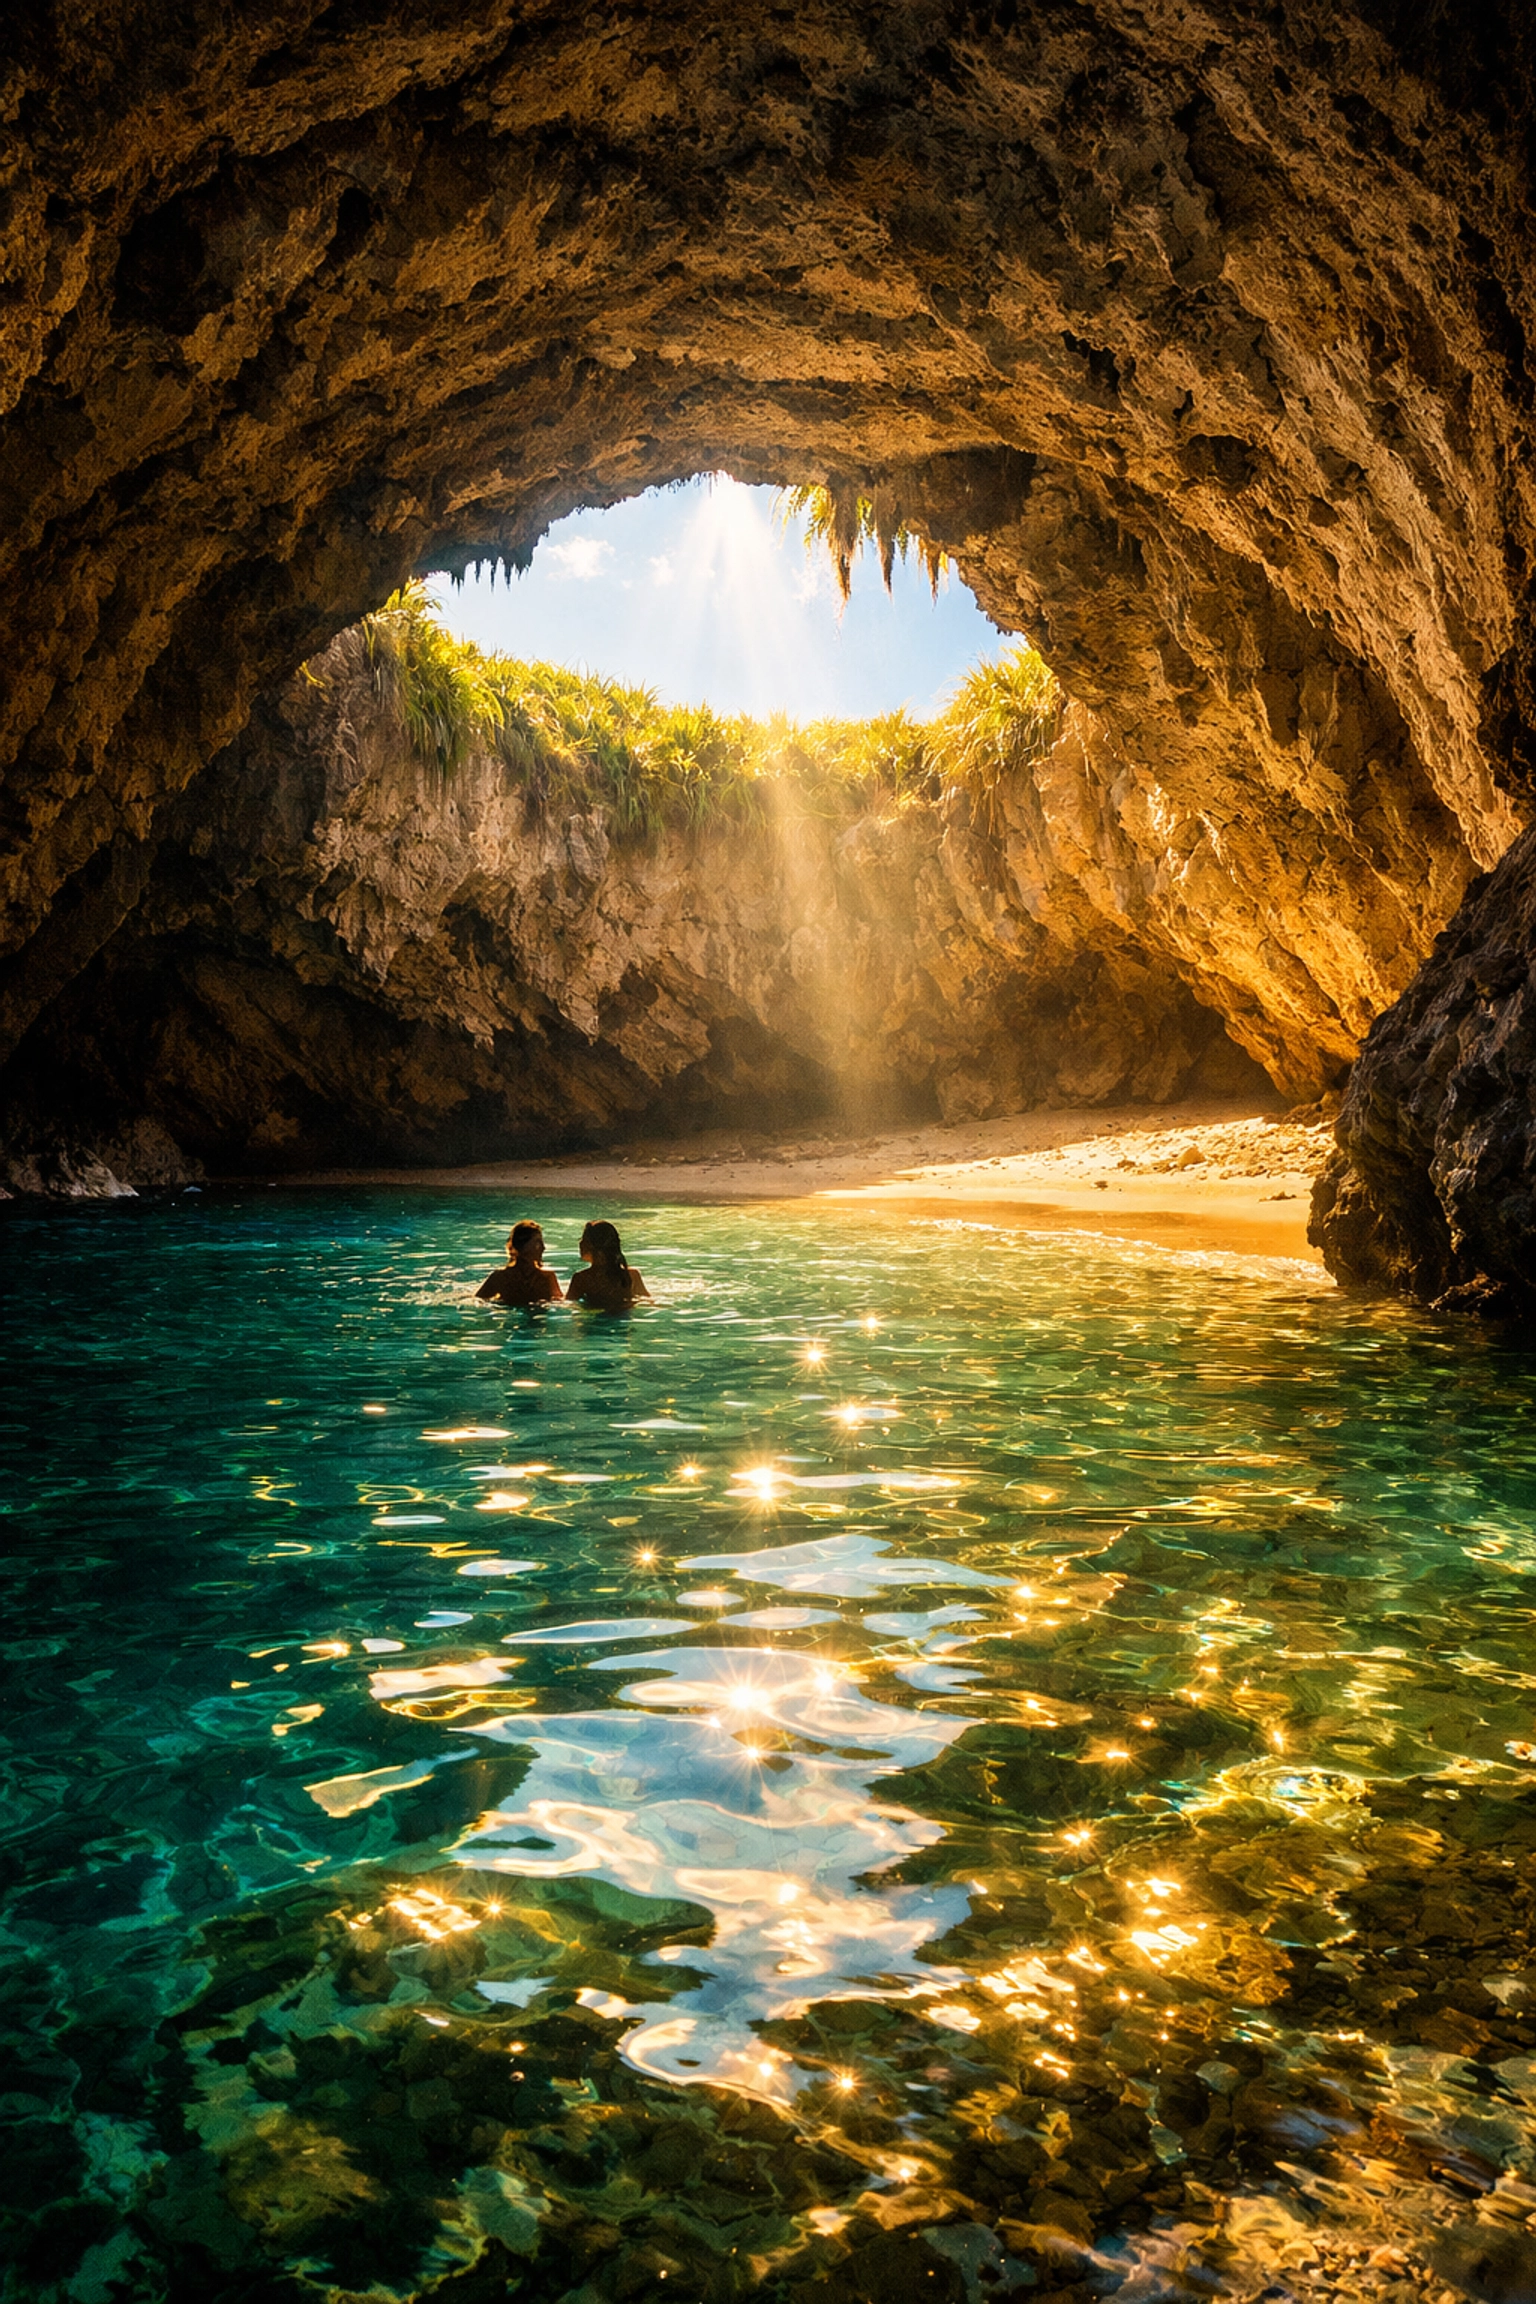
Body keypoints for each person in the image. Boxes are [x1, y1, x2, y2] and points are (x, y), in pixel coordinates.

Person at [566, 1219, 652, 1311]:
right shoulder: (632, 1275)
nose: (580, 1242)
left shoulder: (582, 1278)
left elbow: (567, 1303)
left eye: (583, 1239)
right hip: (624, 1317)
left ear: (589, 1245)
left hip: (595, 1321)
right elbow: (648, 1300)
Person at [476, 1220, 563, 1304]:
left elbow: (560, 1302)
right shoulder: (500, 1278)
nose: (543, 1247)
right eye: (537, 1243)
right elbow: (477, 1301)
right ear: (522, 1246)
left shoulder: (547, 1278)